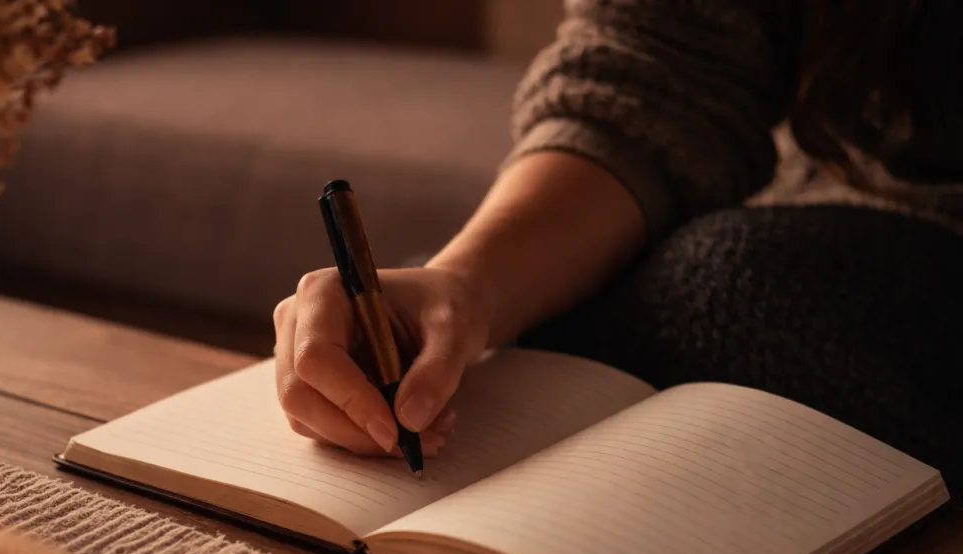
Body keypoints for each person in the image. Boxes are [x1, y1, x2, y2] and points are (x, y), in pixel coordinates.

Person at [271, 1, 963, 488]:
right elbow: (658, 77)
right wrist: (468, 284)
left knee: (732, 286)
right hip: (818, 220)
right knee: (523, 313)